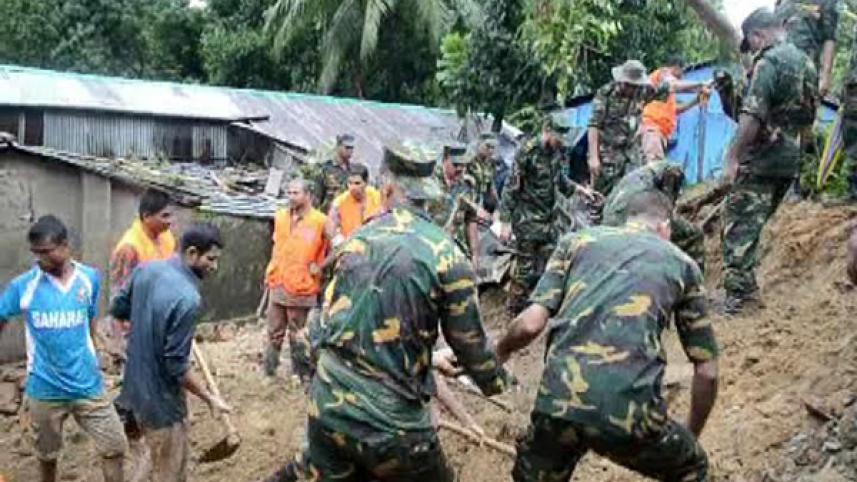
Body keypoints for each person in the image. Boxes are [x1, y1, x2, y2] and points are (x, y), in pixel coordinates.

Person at [305, 142, 508, 482]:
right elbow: (472, 350)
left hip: (327, 405)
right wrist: (498, 380)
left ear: (386, 188)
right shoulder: (447, 256)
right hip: (390, 423)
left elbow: (329, 327)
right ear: (429, 195)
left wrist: (428, 361)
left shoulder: (356, 241)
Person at [495, 190, 719, 482]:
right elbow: (708, 371)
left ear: (627, 220)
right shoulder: (683, 265)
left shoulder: (575, 242)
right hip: (630, 414)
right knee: (694, 469)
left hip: (559, 403)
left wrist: (499, 352)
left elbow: (529, 325)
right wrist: (690, 436)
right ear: (665, 227)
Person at [0, 215, 127, 482]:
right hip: (44, 389)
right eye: (36, 254)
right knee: (47, 455)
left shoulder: (89, 278)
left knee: (114, 446)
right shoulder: (24, 286)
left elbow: (89, 320)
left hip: (87, 385)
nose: (41, 260)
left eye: (47, 252)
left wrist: (96, 352)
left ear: (65, 246)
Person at [112, 223, 230, 482]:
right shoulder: (187, 299)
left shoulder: (146, 269)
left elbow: (119, 308)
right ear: (191, 253)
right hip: (162, 403)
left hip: (133, 391)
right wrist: (209, 398)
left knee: (154, 454)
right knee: (170, 469)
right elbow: (176, 367)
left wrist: (148, 321)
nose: (214, 267)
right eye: (211, 259)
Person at [723, 7, 817, 314]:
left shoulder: (769, 62)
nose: (752, 51)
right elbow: (808, 119)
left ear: (756, 36)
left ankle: (742, 298)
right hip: (789, 161)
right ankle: (746, 290)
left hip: (761, 159)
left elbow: (752, 114)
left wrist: (732, 157)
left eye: (751, 45)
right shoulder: (806, 63)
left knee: (739, 226)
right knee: (753, 225)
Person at [498, 113, 595, 315]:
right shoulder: (527, 152)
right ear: (547, 131)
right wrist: (505, 222)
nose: (561, 142)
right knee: (524, 269)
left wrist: (579, 189)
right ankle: (513, 311)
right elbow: (511, 187)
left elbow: (559, 179)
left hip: (549, 219)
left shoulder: (556, 152)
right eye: (558, 137)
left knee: (551, 264)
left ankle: (541, 308)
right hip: (527, 219)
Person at [264, 179, 328, 381]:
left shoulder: (321, 221)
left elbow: (340, 246)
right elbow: (277, 247)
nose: (291, 197)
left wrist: (322, 266)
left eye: (296, 193)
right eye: (289, 193)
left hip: (302, 286)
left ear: (308, 195)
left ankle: (299, 373)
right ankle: (270, 372)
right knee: (274, 331)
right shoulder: (280, 217)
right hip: (278, 281)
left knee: (297, 333)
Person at [105, 189, 176, 360]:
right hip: (136, 324)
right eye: (165, 216)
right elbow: (118, 295)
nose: (170, 222)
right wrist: (121, 337)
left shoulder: (166, 237)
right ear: (146, 216)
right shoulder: (129, 248)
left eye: (171, 215)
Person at [602, 161, 706, 271]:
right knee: (693, 234)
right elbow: (665, 209)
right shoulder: (672, 173)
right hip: (634, 218)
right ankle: (692, 278)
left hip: (612, 225)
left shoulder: (635, 178)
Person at [588, 60, 668, 196]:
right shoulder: (605, 94)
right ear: (623, 82)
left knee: (635, 191)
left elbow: (668, 88)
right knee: (602, 195)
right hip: (608, 152)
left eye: (637, 86)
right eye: (631, 86)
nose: (634, 89)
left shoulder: (642, 90)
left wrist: (698, 87)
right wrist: (594, 157)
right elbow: (594, 126)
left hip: (631, 152)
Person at [641, 57, 711, 163]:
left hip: (661, 134)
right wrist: (701, 84)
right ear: (676, 67)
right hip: (652, 128)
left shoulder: (668, 94)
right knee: (654, 166)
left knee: (656, 168)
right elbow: (673, 85)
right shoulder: (663, 73)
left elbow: (676, 110)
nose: (682, 76)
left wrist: (696, 100)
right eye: (682, 71)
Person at [429, 143, 483, 270]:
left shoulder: (467, 185)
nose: (460, 169)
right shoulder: (430, 182)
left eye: (463, 165)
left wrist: (475, 254)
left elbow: (471, 219)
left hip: (455, 246)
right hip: (431, 245)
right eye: (455, 165)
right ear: (445, 159)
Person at [325, 163, 381, 245]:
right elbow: (329, 225)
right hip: (350, 247)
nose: (353, 187)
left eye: (357, 183)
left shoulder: (376, 196)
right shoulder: (340, 202)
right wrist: (337, 239)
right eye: (350, 183)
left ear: (366, 183)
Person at [306, 134, 356, 214]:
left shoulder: (354, 171)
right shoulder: (326, 169)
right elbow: (316, 198)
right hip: (328, 216)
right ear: (338, 147)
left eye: (351, 148)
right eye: (347, 147)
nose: (350, 151)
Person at [468, 133, 502, 213]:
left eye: (493, 148)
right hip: (467, 199)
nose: (490, 150)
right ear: (479, 144)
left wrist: (498, 205)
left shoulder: (491, 164)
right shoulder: (468, 160)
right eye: (487, 146)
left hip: (480, 202)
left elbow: (491, 186)